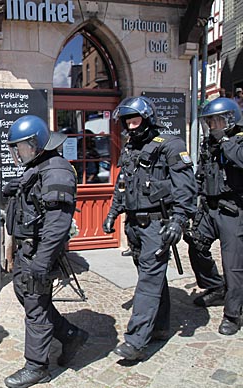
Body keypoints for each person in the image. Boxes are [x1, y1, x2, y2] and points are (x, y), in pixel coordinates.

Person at [103, 96, 197, 361]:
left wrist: (179, 220)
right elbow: (123, 185)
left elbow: (186, 188)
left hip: (158, 224)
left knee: (147, 282)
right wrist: (113, 213)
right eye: (127, 121)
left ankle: (135, 341)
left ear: (147, 118)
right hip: (134, 226)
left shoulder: (170, 146)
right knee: (153, 277)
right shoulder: (130, 149)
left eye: (135, 119)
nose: (131, 125)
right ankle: (161, 325)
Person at [3, 115, 89, 388]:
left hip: (39, 251)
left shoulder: (57, 171)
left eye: (23, 147)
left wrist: (42, 261)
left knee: (36, 308)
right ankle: (70, 334)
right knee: (26, 297)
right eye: (16, 148)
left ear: (38, 143)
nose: (19, 153)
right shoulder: (39, 167)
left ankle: (37, 366)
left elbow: (57, 223)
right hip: (27, 250)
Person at [186, 97, 243, 335]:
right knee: (195, 245)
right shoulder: (209, 143)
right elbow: (202, 174)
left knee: (233, 265)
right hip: (209, 207)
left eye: (216, 120)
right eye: (209, 121)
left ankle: (233, 314)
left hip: (233, 209)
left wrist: (225, 141)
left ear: (229, 120)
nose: (212, 125)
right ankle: (214, 287)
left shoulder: (237, 140)